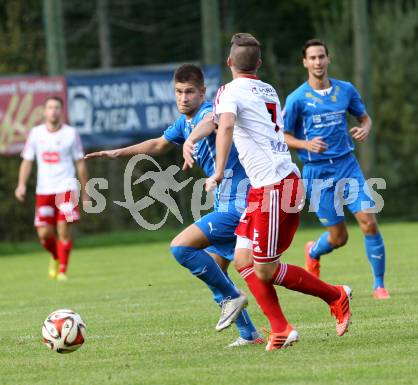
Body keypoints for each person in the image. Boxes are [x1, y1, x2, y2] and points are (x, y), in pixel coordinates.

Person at [85, 64, 262, 347]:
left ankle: (241, 298)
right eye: (179, 92)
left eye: (190, 91)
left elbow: (213, 123)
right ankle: (249, 334)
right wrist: (118, 152)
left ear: (203, 92)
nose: (183, 98)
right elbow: (157, 145)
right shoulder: (184, 122)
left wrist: (192, 139)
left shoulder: (208, 112)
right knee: (216, 267)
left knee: (181, 247)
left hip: (242, 200)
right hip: (225, 199)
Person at [205, 33, 352, 351]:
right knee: (243, 258)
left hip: (275, 186)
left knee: (265, 268)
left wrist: (217, 171)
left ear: (229, 62)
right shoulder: (267, 89)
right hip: (269, 184)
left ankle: (335, 295)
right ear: (258, 64)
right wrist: (193, 138)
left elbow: (226, 125)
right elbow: (223, 123)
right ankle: (280, 328)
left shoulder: (227, 92)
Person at [283, 39, 390, 300]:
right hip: (316, 173)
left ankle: (379, 285)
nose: (318, 62)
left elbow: (364, 118)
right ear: (305, 62)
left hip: (347, 166)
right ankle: (313, 251)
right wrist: (305, 143)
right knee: (339, 237)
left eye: (322, 56)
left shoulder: (345, 90)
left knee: (369, 223)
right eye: (313, 58)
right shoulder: (297, 99)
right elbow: (282, 136)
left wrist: (364, 128)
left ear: (328, 59)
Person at [15, 96, 89, 281]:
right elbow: (27, 161)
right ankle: (56, 257)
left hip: (66, 188)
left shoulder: (71, 134)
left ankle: (62, 271)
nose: (53, 110)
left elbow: (80, 163)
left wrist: (86, 193)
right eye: (50, 107)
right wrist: (21, 185)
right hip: (44, 190)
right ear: (44, 111)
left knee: (63, 228)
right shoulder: (36, 133)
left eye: (57, 107)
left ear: (61, 111)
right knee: (44, 234)